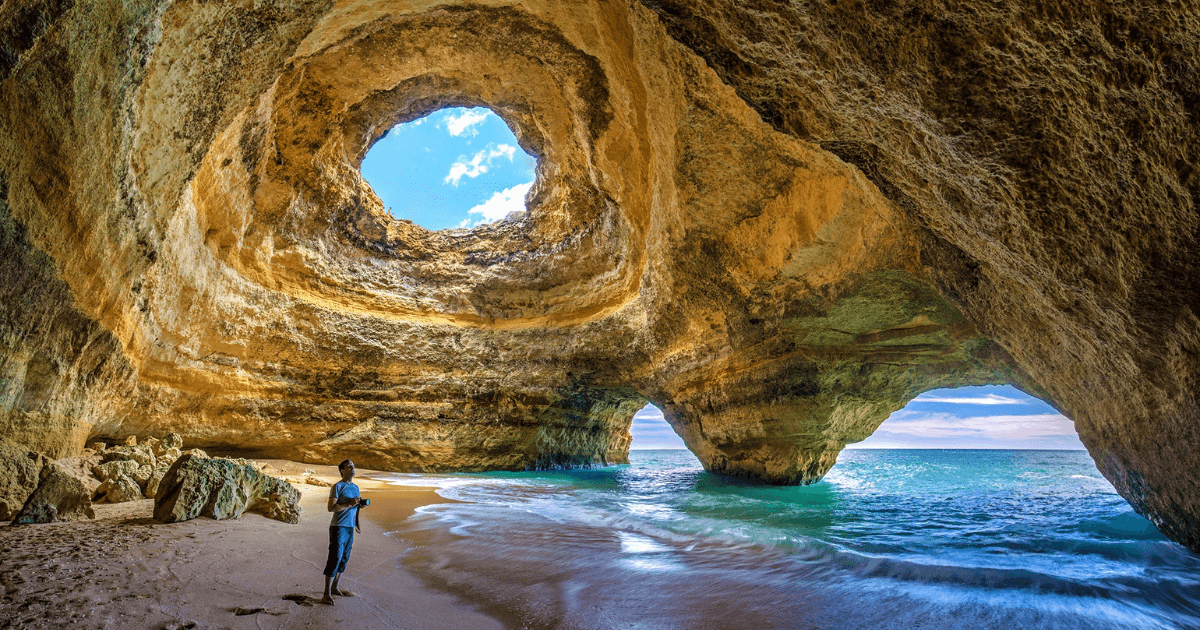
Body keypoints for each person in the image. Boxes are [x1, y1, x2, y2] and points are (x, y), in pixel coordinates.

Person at [322, 459, 366, 605]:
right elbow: (331, 507)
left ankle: (335, 586)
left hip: (350, 527)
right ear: (342, 470)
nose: (352, 468)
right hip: (338, 526)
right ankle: (326, 594)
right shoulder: (337, 486)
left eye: (353, 466)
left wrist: (358, 506)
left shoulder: (356, 487)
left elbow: (355, 507)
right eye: (349, 466)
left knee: (344, 558)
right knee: (335, 557)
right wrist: (349, 504)